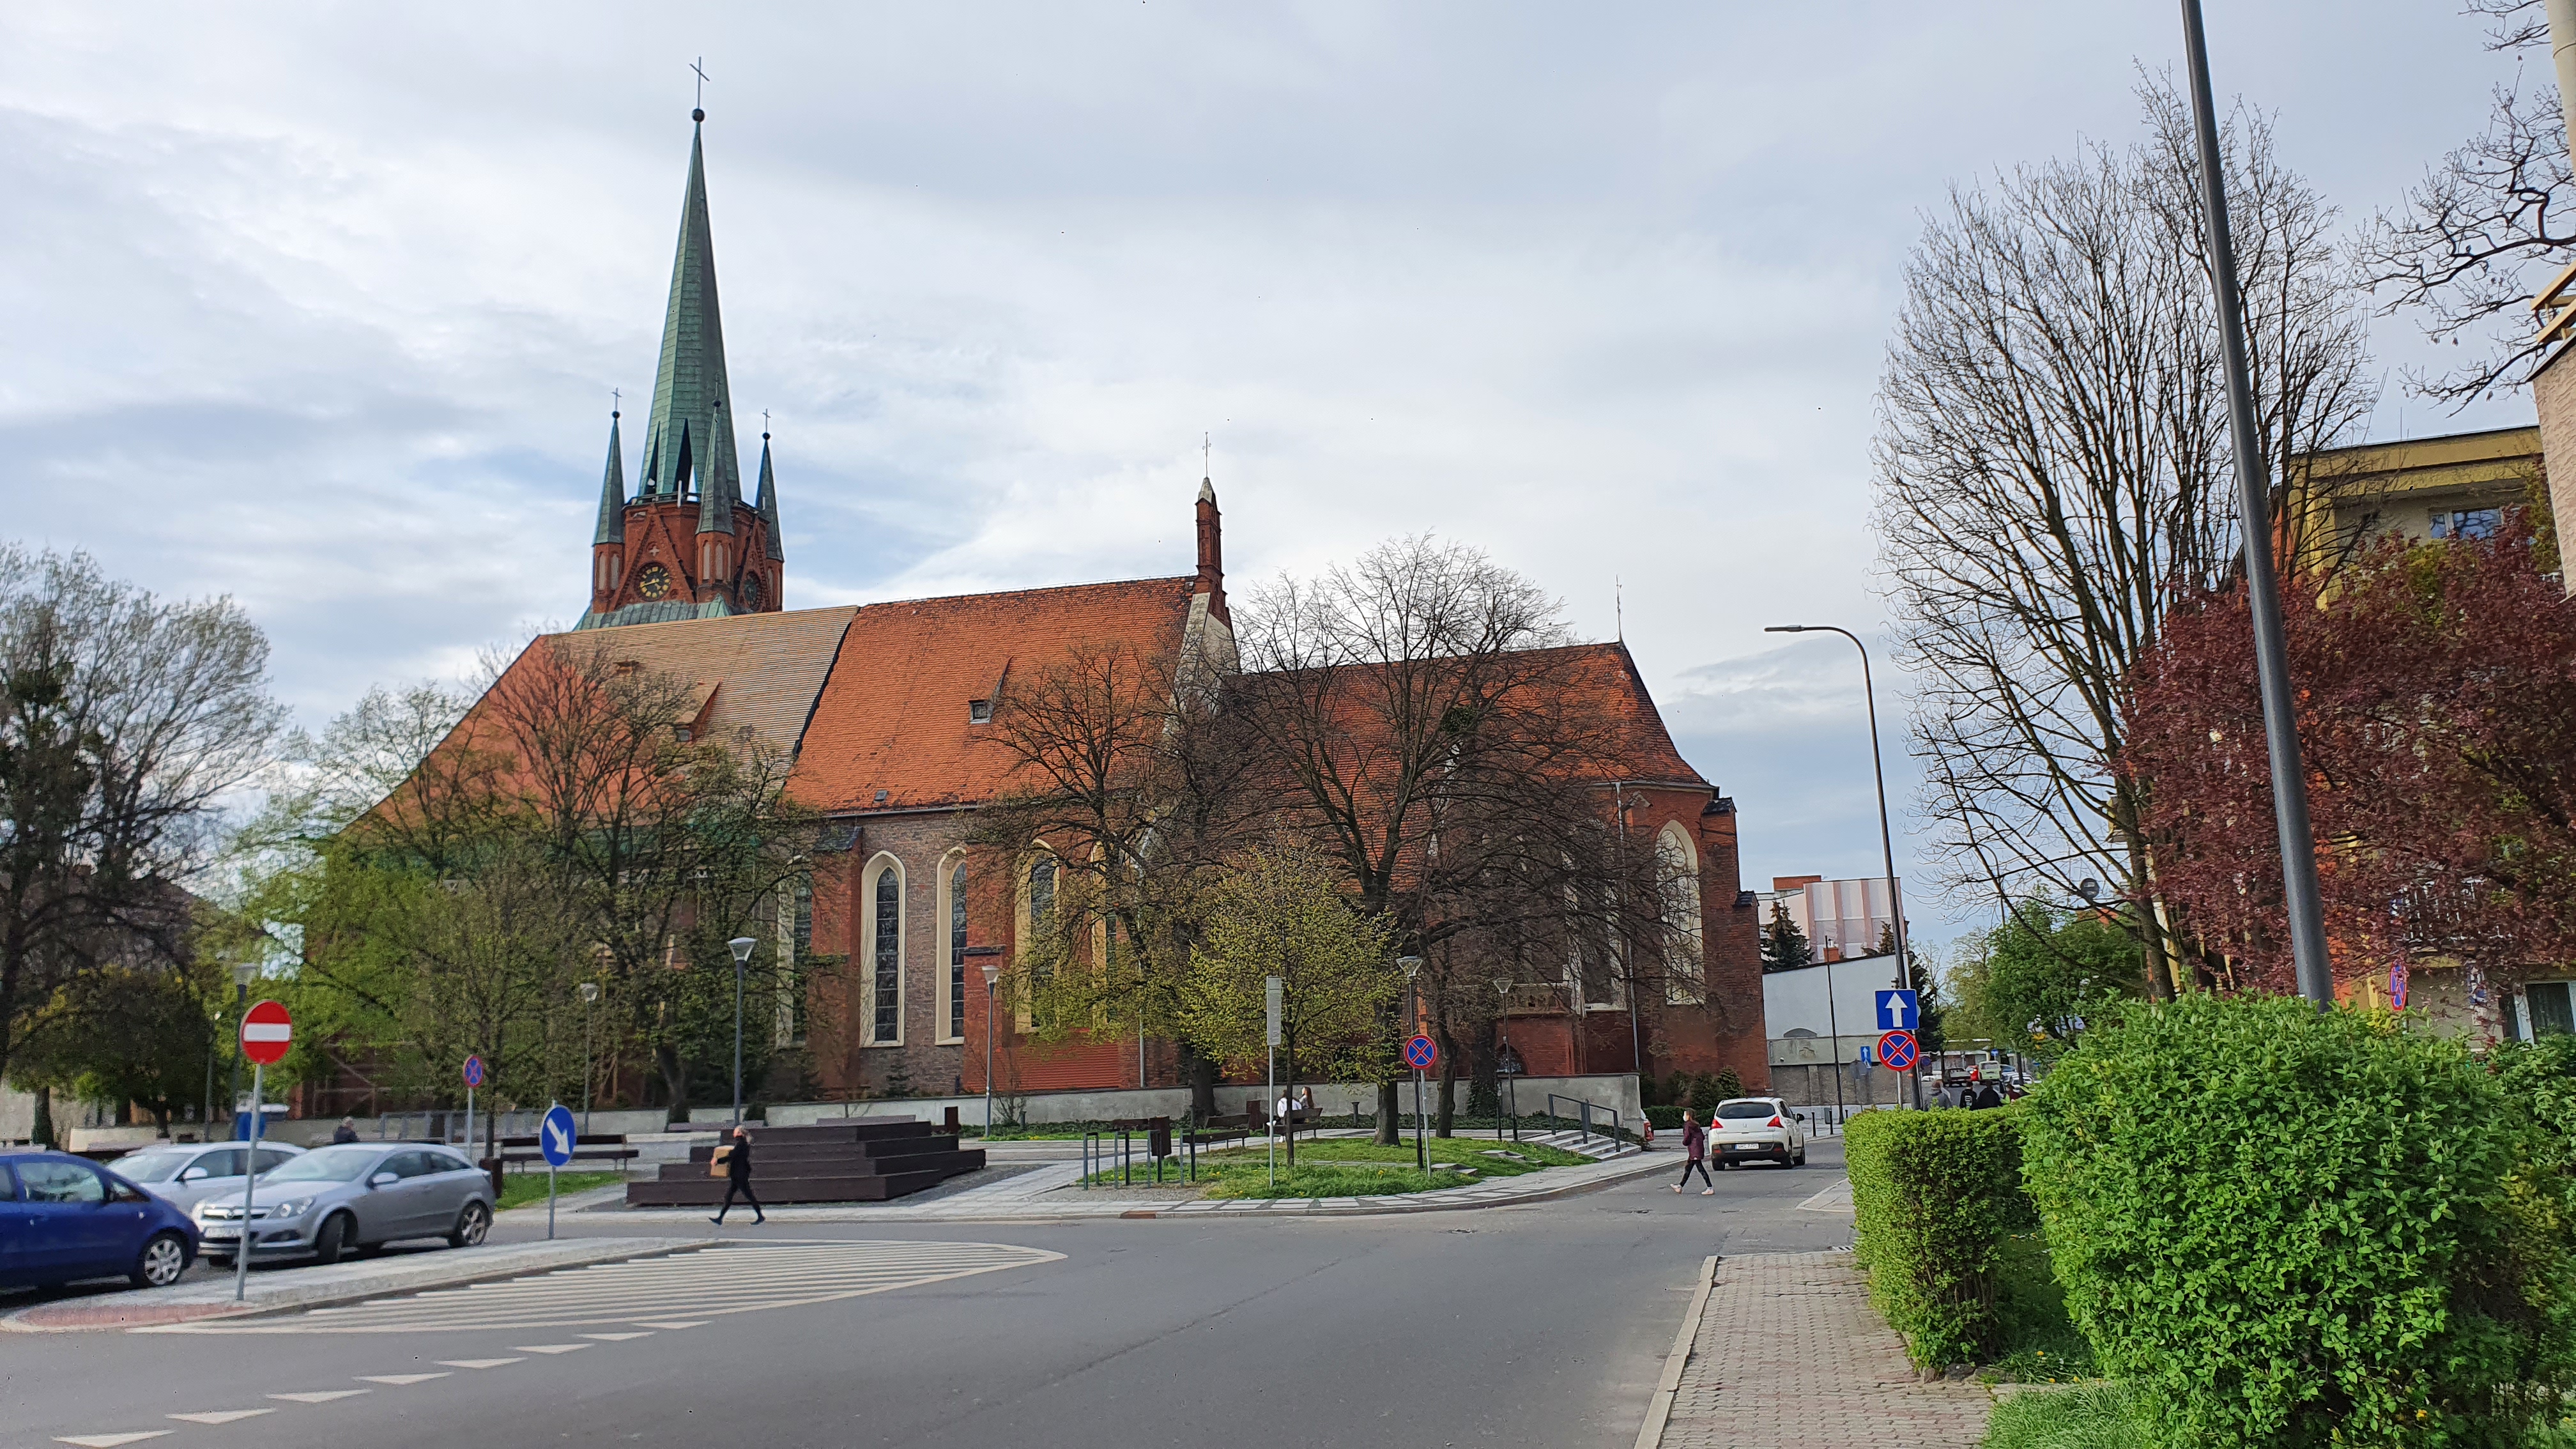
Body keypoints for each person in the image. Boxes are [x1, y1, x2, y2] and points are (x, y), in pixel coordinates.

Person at [710, 1124, 765, 1225]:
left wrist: (718, 1161)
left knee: (749, 1196)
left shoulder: (741, 1144)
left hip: (740, 1175)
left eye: (735, 1132)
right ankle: (720, 1218)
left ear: (740, 1133)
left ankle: (760, 1216)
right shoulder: (742, 1144)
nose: (733, 1133)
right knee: (729, 1196)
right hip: (738, 1175)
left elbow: (731, 1156)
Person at [1673, 1110, 1714, 1195]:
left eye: (1685, 1114)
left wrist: (1685, 1142)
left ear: (1688, 1116)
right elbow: (1702, 1137)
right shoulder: (1696, 1125)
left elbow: (1687, 1137)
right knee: (1688, 1168)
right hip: (1697, 1149)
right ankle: (1680, 1186)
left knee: (1700, 1169)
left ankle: (1710, 1187)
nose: (1684, 1116)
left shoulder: (1688, 1125)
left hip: (1694, 1150)